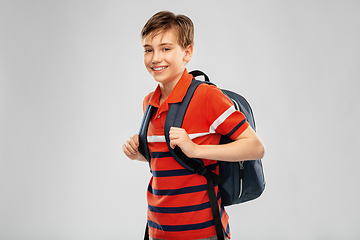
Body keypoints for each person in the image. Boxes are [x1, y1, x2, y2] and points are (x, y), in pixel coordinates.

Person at [123, 11, 265, 240]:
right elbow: (168, 160)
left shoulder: (206, 96)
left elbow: (256, 147)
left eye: (166, 48)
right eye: (148, 49)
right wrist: (139, 154)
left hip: (204, 232)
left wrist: (196, 149)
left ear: (187, 52)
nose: (155, 58)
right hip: (158, 230)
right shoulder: (149, 102)